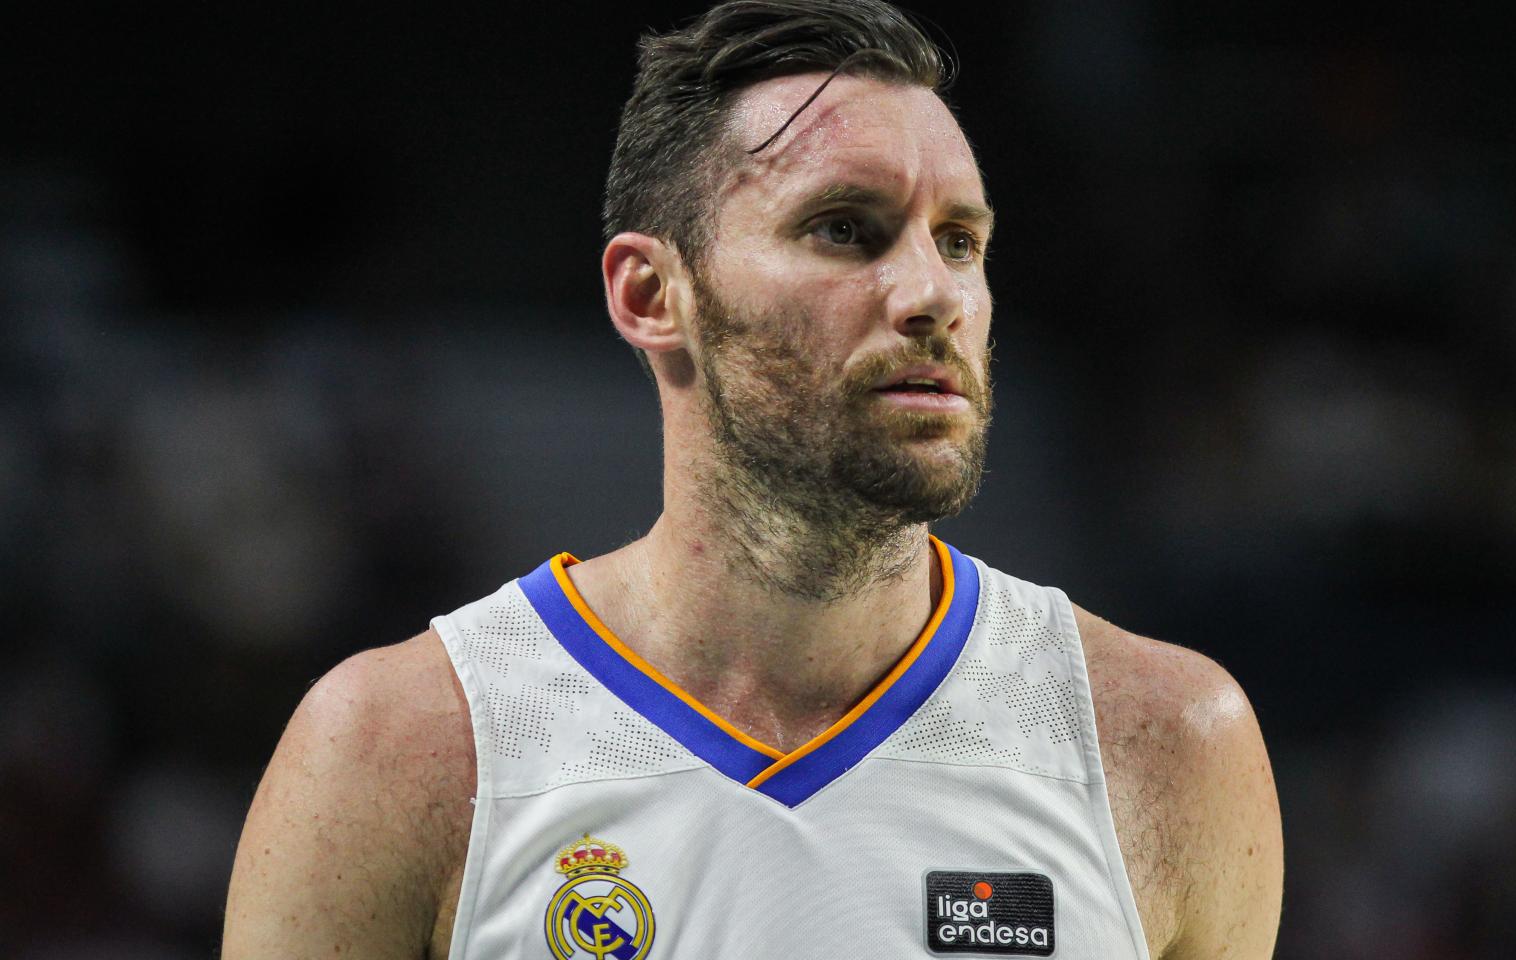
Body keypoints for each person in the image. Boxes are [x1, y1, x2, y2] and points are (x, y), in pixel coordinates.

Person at [221, 2, 1283, 957]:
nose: (935, 294)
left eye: (960, 241)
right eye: (844, 229)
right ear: (651, 294)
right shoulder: (391, 751)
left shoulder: (1167, 743)